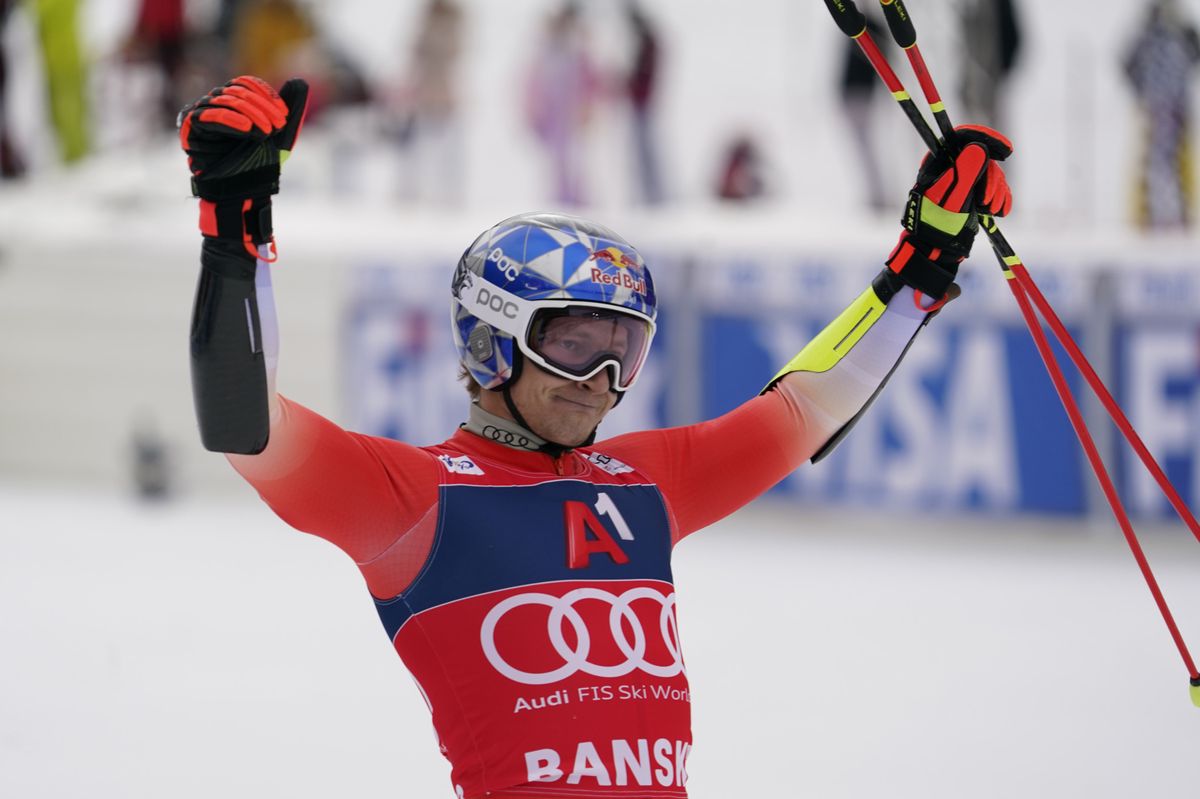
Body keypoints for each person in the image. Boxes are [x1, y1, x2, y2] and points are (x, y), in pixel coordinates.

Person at [179, 76, 1013, 798]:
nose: (601, 380)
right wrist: (234, 231)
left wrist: (924, 260)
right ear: (492, 339)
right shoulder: (415, 500)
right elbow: (245, 424)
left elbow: (804, 410)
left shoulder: (643, 483)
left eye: (625, 350)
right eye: (574, 344)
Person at [1123, 0, 1200, 230]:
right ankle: (1151, 216)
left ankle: (1178, 214)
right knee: (1154, 162)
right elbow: (1127, 64)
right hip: (1156, 107)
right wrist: (1142, 92)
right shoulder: (1147, 34)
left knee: (1175, 161)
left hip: (1175, 107)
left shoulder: (1181, 33)